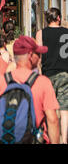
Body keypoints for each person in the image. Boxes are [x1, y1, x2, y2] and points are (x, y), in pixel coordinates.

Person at [0, 35, 60, 144]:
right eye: (38, 54)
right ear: (30, 55)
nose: (40, 57)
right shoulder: (43, 82)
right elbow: (53, 120)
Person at [36, 8, 68, 144]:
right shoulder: (67, 33)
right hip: (65, 73)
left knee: (49, 108)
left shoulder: (41, 33)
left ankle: (50, 137)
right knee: (65, 109)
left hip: (48, 74)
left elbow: (38, 56)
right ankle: (65, 139)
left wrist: (38, 72)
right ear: (59, 18)